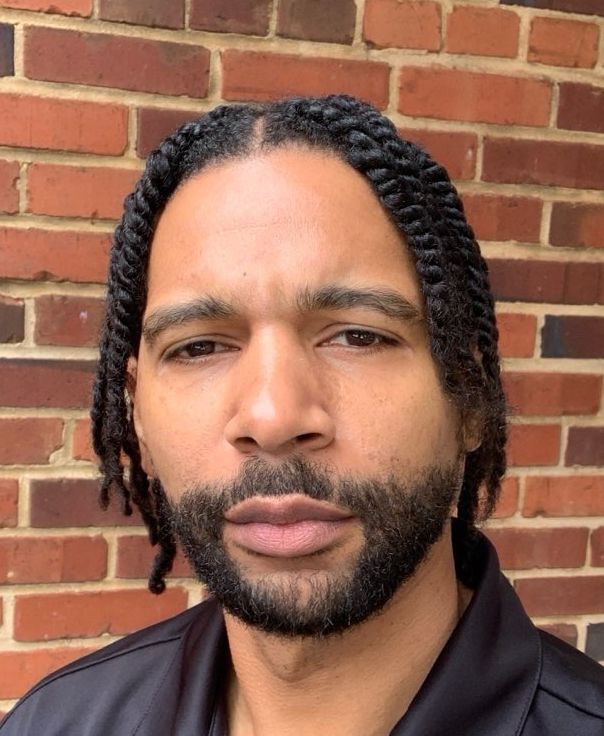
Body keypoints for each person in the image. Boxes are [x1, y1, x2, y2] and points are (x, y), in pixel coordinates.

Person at [1, 94, 602, 736]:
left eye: (357, 336)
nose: (272, 418)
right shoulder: (54, 723)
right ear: (137, 417)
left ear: (470, 396)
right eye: (199, 347)